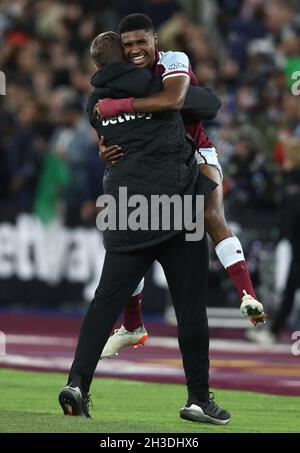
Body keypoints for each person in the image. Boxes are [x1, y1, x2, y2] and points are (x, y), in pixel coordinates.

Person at [59, 31, 231, 424]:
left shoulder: (94, 103)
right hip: (175, 205)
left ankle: (77, 384)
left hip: (125, 208)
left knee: (104, 303)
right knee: (190, 309)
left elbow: (107, 138)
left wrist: (108, 141)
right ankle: (198, 398)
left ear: (98, 67)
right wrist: (165, 97)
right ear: (128, 56)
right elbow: (209, 103)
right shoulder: (160, 87)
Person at [96, 14, 266, 358]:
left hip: (195, 151)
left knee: (211, 215)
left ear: (155, 39)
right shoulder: (123, 75)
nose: (135, 50)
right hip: (151, 165)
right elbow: (110, 124)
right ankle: (133, 325)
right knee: (128, 236)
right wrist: (104, 146)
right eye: (128, 45)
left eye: (141, 41)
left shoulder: (174, 60)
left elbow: (173, 101)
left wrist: (121, 105)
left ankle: (247, 295)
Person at [247, 139, 300, 345]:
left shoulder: (293, 183)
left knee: (290, 287)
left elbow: (291, 213)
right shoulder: (289, 181)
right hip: (294, 240)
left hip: (296, 239)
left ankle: (274, 330)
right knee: (289, 287)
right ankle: (274, 330)